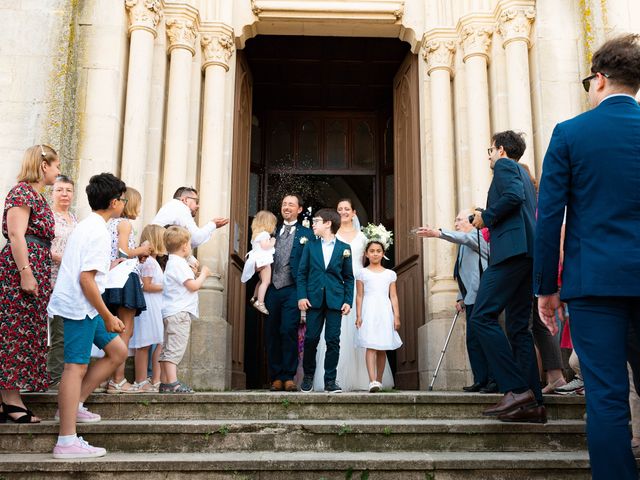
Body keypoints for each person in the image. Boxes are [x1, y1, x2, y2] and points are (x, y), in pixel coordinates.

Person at [534, 34, 640, 479]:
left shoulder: (571, 133)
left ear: (599, 79)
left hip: (595, 284)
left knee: (607, 398)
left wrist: (546, 288)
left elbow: (549, 217)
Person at [48, 172, 128, 458]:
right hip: (80, 307)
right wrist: (108, 315)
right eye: (123, 198)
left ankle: (75, 404)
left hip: (87, 306)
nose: (124, 203)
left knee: (117, 351)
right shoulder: (97, 231)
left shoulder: (90, 224)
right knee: (75, 367)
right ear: (115, 202)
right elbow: (86, 280)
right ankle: (66, 440)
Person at [469, 130, 545, 423]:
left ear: (501, 149)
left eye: (490, 149)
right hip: (528, 255)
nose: (488, 155)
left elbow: (511, 197)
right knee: (517, 328)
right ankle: (534, 404)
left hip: (511, 253)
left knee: (481, 317)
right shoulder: (525, 174)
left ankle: (515, 389)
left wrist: (485, 216)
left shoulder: (504, 166)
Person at [0, 144, 59, 423]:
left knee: (26, 330)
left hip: (37, 266)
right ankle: (11, 401)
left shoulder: (37, 196)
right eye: (56, 166)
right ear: (43, 165)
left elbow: (41, 239)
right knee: (14, 332)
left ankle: (7, 400)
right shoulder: (22, 192)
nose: (58, 172)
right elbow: (16, 233)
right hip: (19, 270)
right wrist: (26, 271)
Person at [314, 199, 394, 391]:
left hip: (359, 285)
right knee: (335, 332)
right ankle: (335, 376)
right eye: (339, 209)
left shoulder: (363, 236)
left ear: (354, 212)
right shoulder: (332, 235)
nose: (343, 212)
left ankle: (367, 378)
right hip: (335, 285)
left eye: (347, 209)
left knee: (364, 329)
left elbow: (372, 257)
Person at [417, 209, 493, 393]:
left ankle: (493, 380)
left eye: (459, 220)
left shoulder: (476, 237)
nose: (456, 223)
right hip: (470, 298)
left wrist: (438, 233)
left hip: (482, 296)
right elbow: (462, 273)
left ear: (471, 221)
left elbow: (465, 239)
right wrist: (460, 297)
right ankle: (480, 379)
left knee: (485, 340)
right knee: (472, 340)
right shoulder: (462, 246)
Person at [297, 208, 354, 393]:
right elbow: (302, 273)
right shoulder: (310, 246)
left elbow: (349, 277)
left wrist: (348, 300)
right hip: (313, 300)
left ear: (328, 223)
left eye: (317, 221)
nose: (313, 224)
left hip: (335, 300)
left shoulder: (344, 249)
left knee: (333, 340)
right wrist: (301, 296)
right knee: (311, 339)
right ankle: (308, 377)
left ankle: (330, 380)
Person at [102, 187, 151, 394]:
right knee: (125, 329)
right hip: (125, 277)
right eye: (138, 204)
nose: (139, 208)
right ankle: (118, 379)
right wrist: (142, 249)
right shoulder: (124, 223)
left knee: (112, 328)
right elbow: (123, 251)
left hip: (111, 278)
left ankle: (106, 378)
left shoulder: (108, 223)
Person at [264, 194, 313, 392]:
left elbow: (310, 264)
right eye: (284, 204)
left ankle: (288, 375)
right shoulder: (270, 230)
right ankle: (276, 376)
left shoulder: (307, 234)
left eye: (291, 205)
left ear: (299, 209)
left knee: (288, 330)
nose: (286, 207)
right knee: (272, 332)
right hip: (272, 288)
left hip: (293, 288)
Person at [159, 226, 211, 393]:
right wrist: (204, 274)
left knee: (168, 347)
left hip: (170, 311)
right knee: (175, 349)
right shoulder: (179, 264)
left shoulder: (173, 263)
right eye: (189, 243)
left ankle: (166, 382)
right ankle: (173, 383)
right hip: (179, 313)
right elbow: (193, 286)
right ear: (184, 246)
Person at [355, 234, 402, 393]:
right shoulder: (362, 273)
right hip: (369, 309)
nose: (375, 253)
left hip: (384, 309)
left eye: (378, 251)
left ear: (383, 253)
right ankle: (372, 380)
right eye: (372, 251)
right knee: (370, 344)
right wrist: (359, 315)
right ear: (366, 254)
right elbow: (360, 295)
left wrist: (396, 316)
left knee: (382, 347)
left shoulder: (390, 274)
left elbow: (393, 296)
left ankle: (380, 380)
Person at [47, 175, 78, 390]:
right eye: (60, 190)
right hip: (50, 279)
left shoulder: (74, 218)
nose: (64, 194)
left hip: (71, 282)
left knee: (65, 331)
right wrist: (62, 257)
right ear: (52, 193)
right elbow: (43, 247)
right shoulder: (48, 217)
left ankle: (59, 376)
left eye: (68, 190)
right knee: (55, 331)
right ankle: (51, 377)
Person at [130, 224, 166, 393]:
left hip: (154, 304)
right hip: (149, 305)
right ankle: (141, 380)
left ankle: (149, 379)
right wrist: (167, 286)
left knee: (153, 342)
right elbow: (146, 285)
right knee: (144, 343)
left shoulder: (152, 261)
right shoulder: (150, 262)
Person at [152, 186, 228, 248]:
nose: (198, 206)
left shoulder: (173, 206)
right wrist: (213, 224)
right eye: (196, 201)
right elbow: (195, 238)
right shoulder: (181, 207)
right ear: (185, 200)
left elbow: (183, 242)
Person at [241, 210, 277, 315]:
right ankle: (260, 303)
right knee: (266, 282)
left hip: (259, 259)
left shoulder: (256, 234)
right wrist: (272, 242)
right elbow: (265, 246)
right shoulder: (265, 234)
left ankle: (254, 297)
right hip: (264, 260)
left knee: (261, 281)